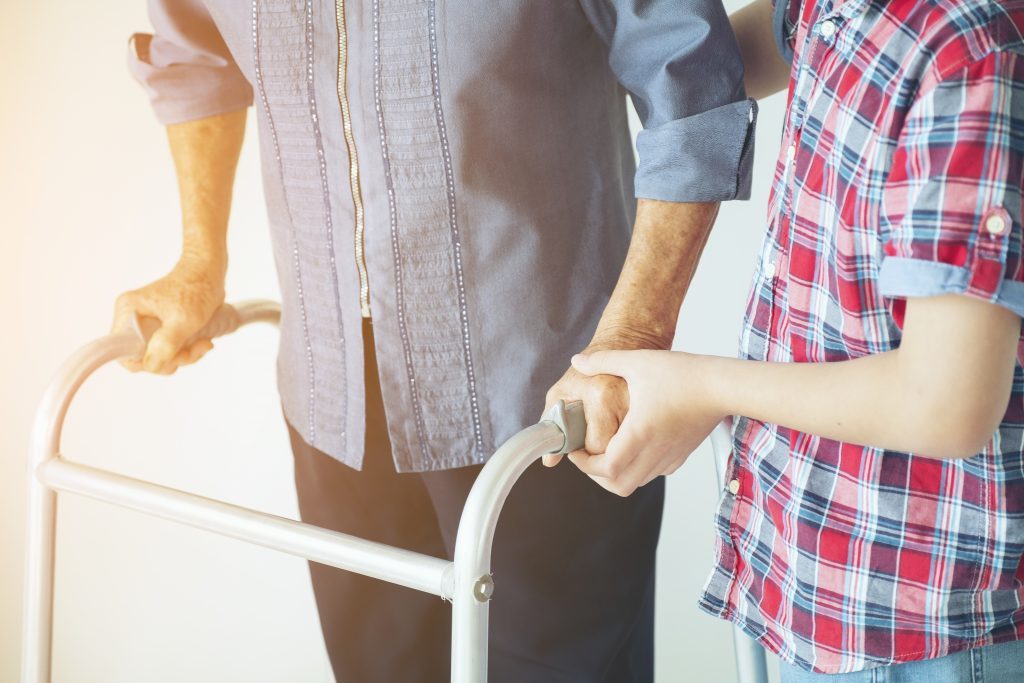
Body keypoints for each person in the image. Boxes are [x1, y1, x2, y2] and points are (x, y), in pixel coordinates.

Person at [112, 1, 757, 680]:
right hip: (330, 401)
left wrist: (635, 332)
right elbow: (194, 53)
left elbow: (688, 73)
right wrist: (198, 262)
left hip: (547, 405)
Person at [558, 0, 1024, 680]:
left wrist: (702, 386)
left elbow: (944, 401)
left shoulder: (970, 50)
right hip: (811, 583)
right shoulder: (832, 7)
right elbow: (712, 65)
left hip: (921, 616)